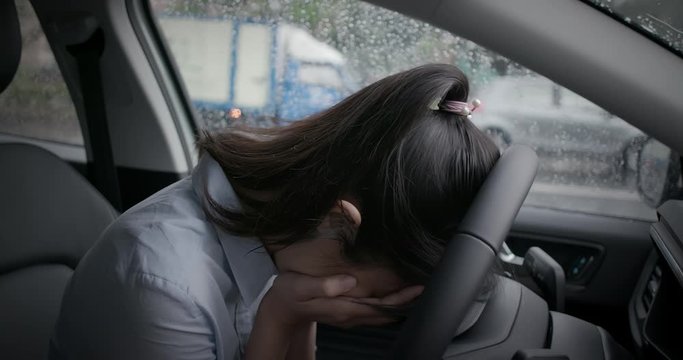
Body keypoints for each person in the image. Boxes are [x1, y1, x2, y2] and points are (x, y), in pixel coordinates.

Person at [49, 63, 500, 360]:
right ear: (340, 222)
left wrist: (299, 314)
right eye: (386, 293)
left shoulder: (287, 237)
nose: (380, 305)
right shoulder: (162, 288)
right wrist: (280, 316)